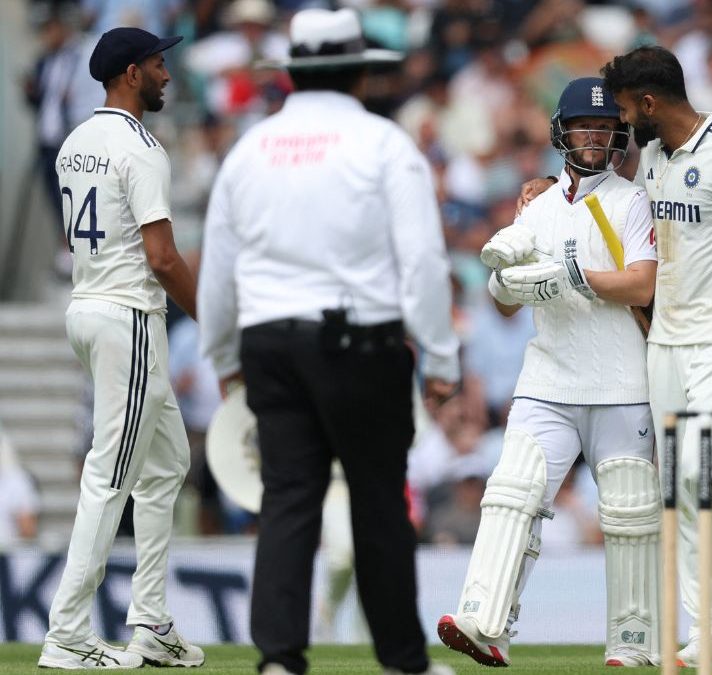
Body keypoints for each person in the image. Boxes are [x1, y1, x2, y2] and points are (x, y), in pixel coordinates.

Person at [519, 46, 712, 667]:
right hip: (668, 341)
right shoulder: (652, 156)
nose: (621, 125)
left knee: (708, 473)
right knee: (677, 488)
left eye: (624, 110)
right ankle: (710, 622)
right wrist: (549, 188)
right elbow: (606, 203)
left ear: (649, 103)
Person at [197, 9, 458, 675]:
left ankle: (279, 659)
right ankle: (403, 660)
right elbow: (423, 258)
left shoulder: (250, 148)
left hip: (268, 343)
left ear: (292, 70)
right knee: (377, 498)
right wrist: (439, 353)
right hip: (358, 342)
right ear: (361, 70)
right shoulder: (382, 142)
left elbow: (218, 264)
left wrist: (224, 357)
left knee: (288, 499)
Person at [436, 76, 660, 668]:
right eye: (585, 127)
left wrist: (568, 278)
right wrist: (508, 279)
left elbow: (643, 282)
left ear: (618, 135)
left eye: (606, 127)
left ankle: (633, 642)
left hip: (621, 383)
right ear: (563, 133)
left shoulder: (630, 199)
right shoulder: (534, 203)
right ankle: (484, 621)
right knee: (512, 493)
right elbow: (505, 302)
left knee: (631, 513)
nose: (595, 137)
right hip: (548, 380)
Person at [39, 26, 205, 670]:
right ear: (131, 74)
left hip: (85, 308)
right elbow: (162, 258)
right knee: (109, 477)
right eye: (159, 64)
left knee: (165, 463)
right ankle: (68, 632)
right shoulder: (142, 148)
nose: (167, 74)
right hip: (129, 316)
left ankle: (151, 622)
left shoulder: (75, 141)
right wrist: (212, 320)